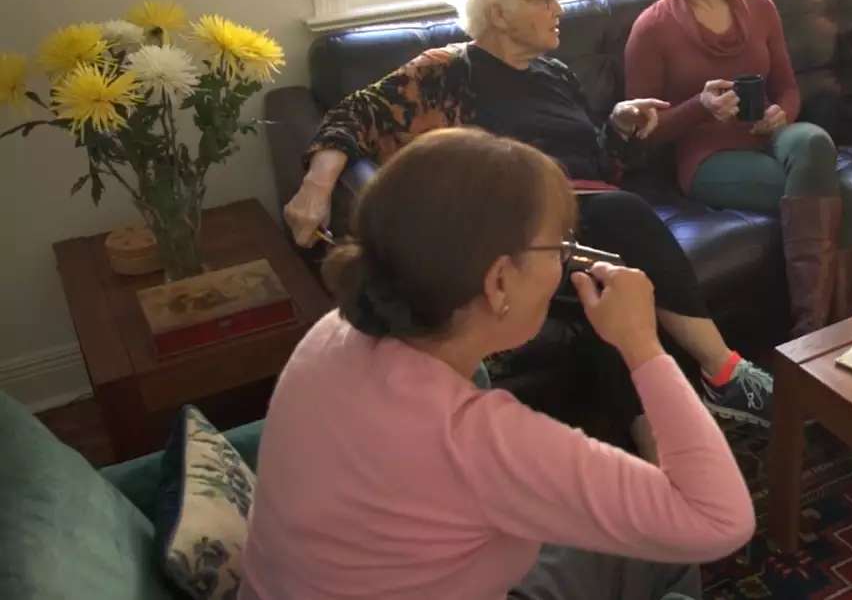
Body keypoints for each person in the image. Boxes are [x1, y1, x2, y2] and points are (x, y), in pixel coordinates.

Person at [242, 128, 754, 599]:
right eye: (559, 248)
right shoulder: (477, 439)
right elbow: (720, 520)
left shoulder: (337, 330)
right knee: (667, 551)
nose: (565, 263)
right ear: (499, 282)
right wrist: (643, 346)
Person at [281, 0, 774, 428]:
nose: (559, 10)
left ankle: (656, 464)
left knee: (602, 292)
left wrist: (620, 126)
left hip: (585, 223)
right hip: (518, 228)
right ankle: (725, 373)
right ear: (499, 13)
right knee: (623, 217)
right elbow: (354, 114)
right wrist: (316, 186)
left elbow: (601, 166)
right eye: (545, 0)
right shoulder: (449, 71)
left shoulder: (555, 73)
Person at [624, 0, 852, 336]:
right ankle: (825, 331)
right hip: (706, 158)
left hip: (769, 137)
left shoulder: (760, 8)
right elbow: (642, 136)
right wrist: (700, 107)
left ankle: (821, 334)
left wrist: (781, 112)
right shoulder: (651, 29)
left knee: (813, 141)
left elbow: (789, 88)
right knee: (842, 192)